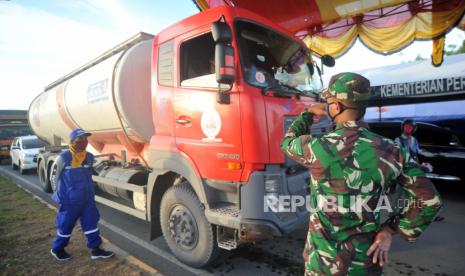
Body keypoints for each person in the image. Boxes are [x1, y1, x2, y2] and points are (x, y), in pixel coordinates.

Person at [280, 72, 443, 275]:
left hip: (322, 263)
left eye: (328, 101)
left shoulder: (316, 147)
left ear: (336, 107)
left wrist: (309, 114)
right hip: (365, 263)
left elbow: (287, 141)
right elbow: (430, 201)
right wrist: (391, 230)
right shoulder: (392, 150)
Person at [50, 128, 114, 261]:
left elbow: (100, 169)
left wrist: (112, 166)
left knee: (91, 224)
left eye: (85, 139)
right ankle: (57, 249)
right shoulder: (63, 157)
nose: (83, 142)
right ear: (72, 141)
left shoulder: (89, 157)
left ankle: (96, 250)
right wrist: (57, 195)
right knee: (65, 225)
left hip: (87, 199)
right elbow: (53, 176)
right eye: (80, 139)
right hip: (69, 201)